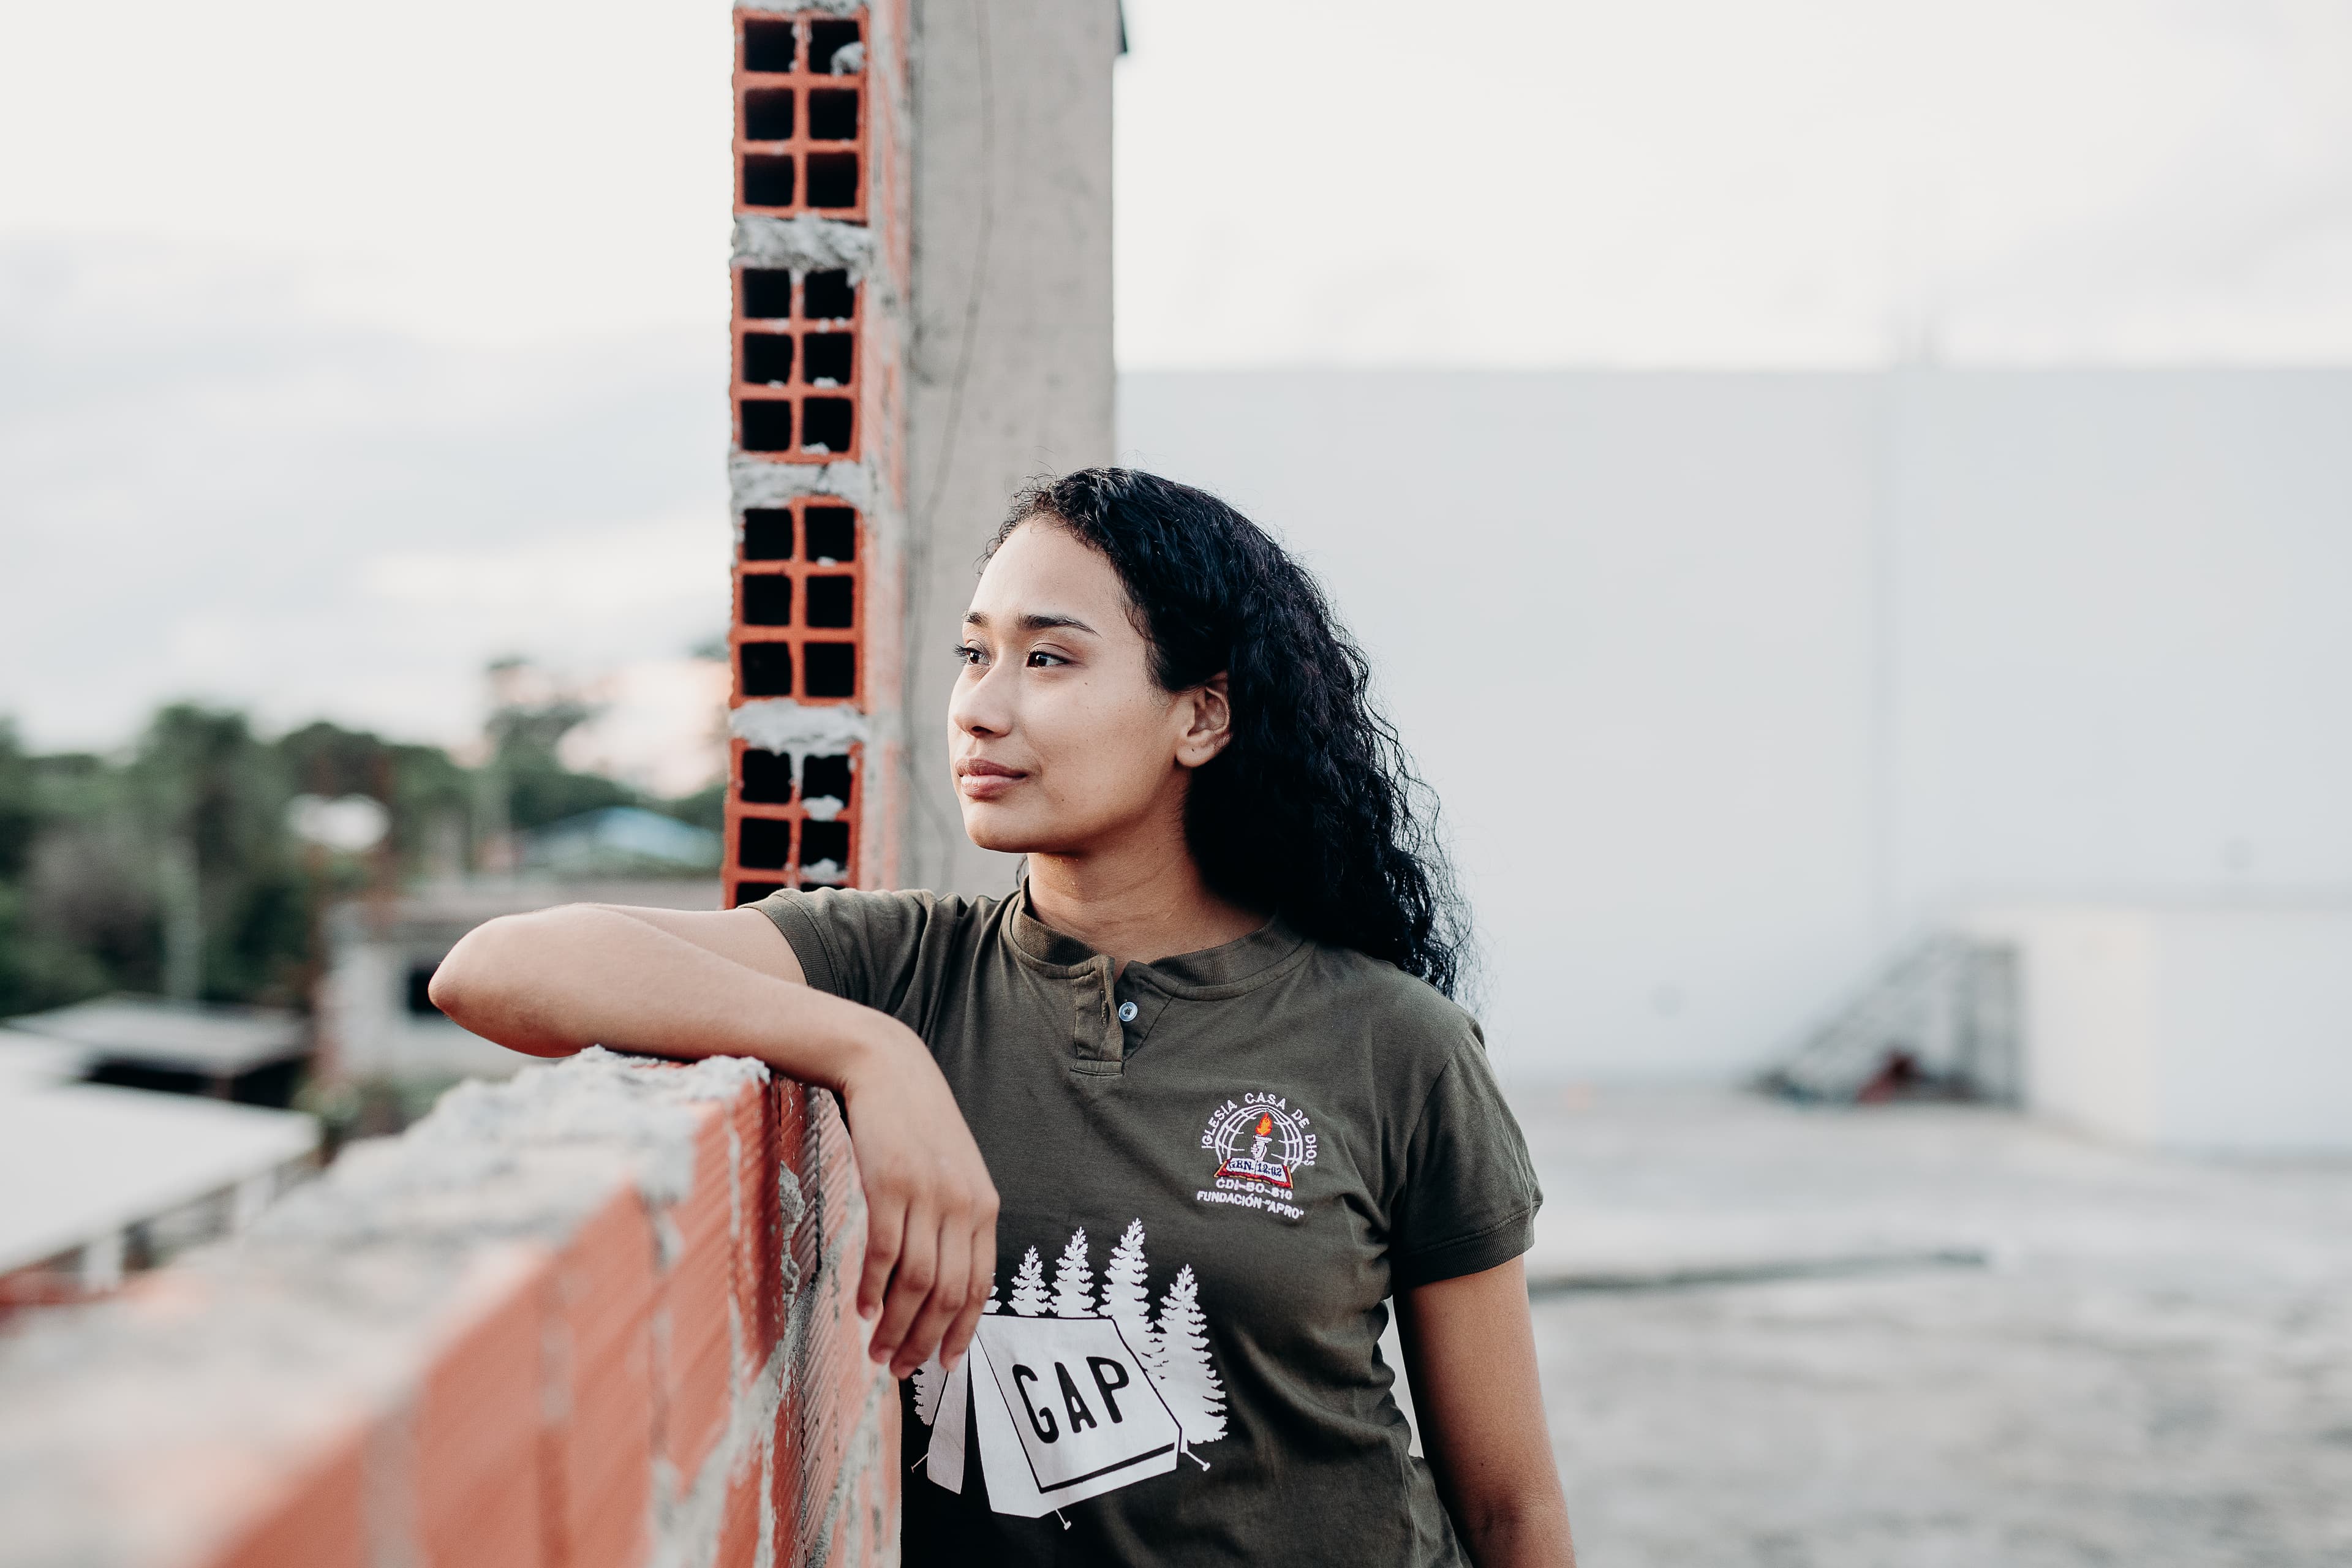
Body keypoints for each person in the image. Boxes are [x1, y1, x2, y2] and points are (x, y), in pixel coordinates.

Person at [431, 469, 1575, 1566]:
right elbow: (497, 969)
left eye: (1047, 658)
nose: (981, 708)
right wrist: (868, 1049)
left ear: (1202, 717)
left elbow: (1509, 1505)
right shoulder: (900, 970)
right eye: (974, 655)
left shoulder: (1392, 1042)